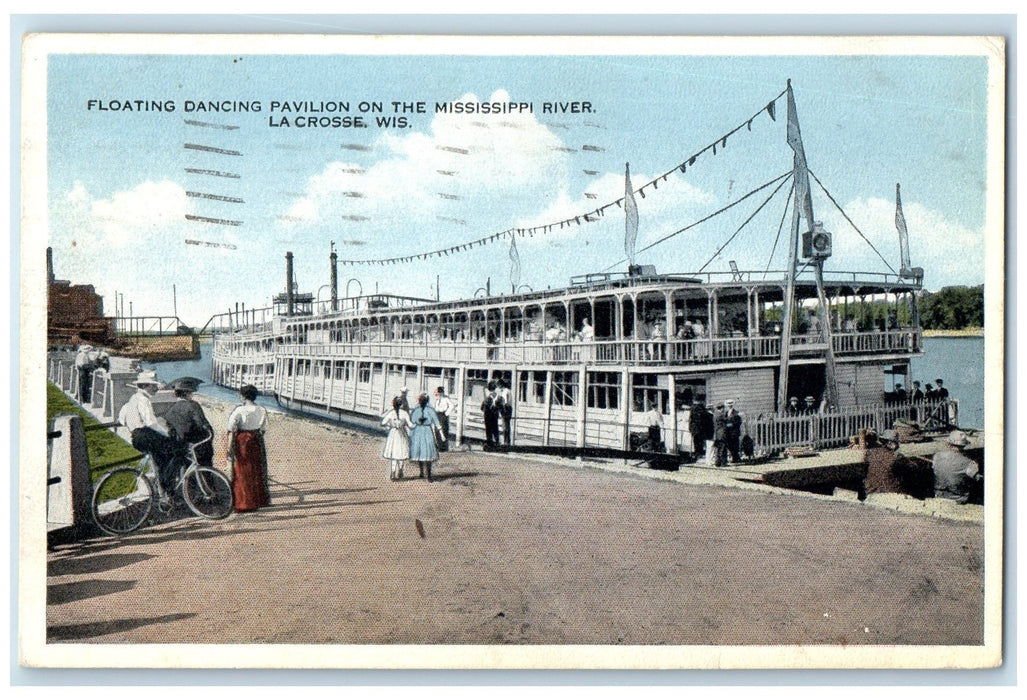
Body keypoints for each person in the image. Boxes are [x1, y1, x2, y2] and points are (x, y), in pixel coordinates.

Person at [118, 371, 178, 498]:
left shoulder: (133, 398)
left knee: (160, 457)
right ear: (145, 386)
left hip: (136, 436)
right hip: (144, 435)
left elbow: (121, 418)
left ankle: (162, 489)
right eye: (153, 386)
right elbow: (151, 423)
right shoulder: (144, 400)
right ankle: (167, 489)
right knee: (173, 451)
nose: (156, 388)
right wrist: (166, 433)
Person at [226, 384, 270, 512]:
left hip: (242, 440)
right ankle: (259, 500)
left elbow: (231, 428)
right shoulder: (261, 409)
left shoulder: (239, 410)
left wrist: (229, 447)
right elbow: (263, 429)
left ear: (243, 396)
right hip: (256, 439)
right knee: (256, 468)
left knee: (242, 469)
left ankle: (244, 503)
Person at [163, 377, 214, 468]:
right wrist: (210, 433)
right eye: (191, 392)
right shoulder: (193, 405)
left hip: (182, 446)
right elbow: (202, 424)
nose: (192, 395)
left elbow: (170, 428)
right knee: (205, 466)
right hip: (198, 445)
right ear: (186, 393)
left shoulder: (170, 411)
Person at [932, 430, 981, 504]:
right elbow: (978, 478)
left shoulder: (937, 456)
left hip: (939, 495)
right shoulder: (968, 462)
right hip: (959, 498)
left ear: (948, 444)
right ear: (964, 445)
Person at [409, 393, 442, 482]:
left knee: (428, 452)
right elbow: (412, 421)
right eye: (421, 400)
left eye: (423, 400)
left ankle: (429, 474)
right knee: (419, 452)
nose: (422, 402)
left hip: (427, 431)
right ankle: (421, 472)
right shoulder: (416, 410)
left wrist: (441, 434)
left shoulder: (430, 410)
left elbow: (436, 421)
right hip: (418, 431)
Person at [381, 396, 413, 480]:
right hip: (402, 433)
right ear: (401, 404)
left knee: (394, 454)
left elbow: (383, 422)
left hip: (394, 433)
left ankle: (393, 472)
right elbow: (410, 425)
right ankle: (401, 470)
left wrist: (390, 425)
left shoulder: (391, 413)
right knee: (401, 453)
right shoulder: (404, 413)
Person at [431, 386, 454, 451]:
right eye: (438, 393)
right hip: (437, 414)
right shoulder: (437, 399)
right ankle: (439, 445)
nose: (438, 394)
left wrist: (446, 413)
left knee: (443, 430)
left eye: (439, 393)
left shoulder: (446, 399)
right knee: (437, 430)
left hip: (443, 415)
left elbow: (452, 406)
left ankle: (443, 447)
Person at [481, 381, 500, 448]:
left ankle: (490, 443)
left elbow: (482, 408)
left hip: (488, 415)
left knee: (488, 430)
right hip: (495, 415)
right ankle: (497, 443)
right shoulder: (498, 397)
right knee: (495, 429)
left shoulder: (488, 397)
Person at [496, 378, 513, 445]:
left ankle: (506, 442)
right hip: (509, 408)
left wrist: (500, 407)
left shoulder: (505, 392)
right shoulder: (508, 391)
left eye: (498, 386)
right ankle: (507, 441)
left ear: (500, 385)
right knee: (507, 425)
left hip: (506, 409)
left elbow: (504, 402)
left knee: (505, 426)